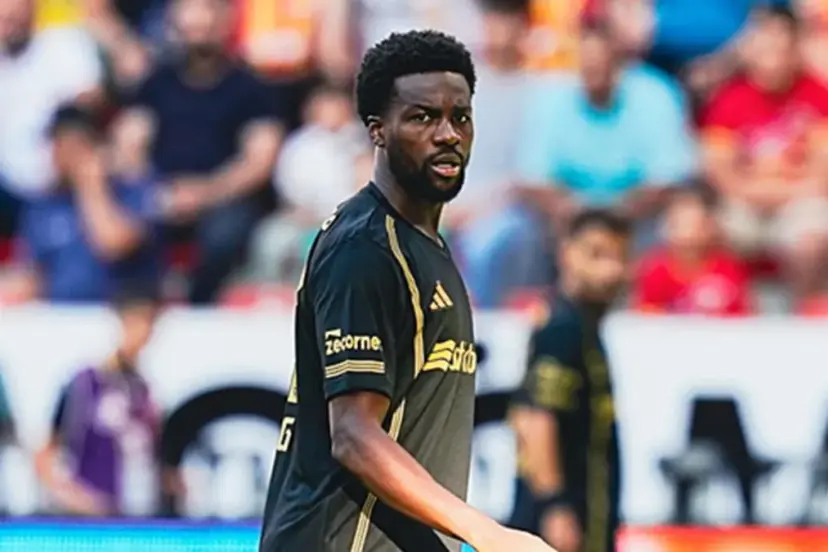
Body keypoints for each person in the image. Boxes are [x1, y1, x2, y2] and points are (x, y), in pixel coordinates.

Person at [258, 30, 554, 552]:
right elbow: (353, 435)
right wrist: (487, 533)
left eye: (460, 117)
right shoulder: (366, 249)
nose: (448, 134)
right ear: (377, 130)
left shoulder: (426, 246)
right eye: (423, 118)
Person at [509, 209, 631, 552]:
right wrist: (555, 506)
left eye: (620, 257)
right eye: (597, 255)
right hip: (559, 529)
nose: (611, 270)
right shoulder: (562, 329)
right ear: (567, 254)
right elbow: (535, 417)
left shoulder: (585, 328)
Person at [0, 105, 162, 304]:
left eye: (72, 146)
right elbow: (31, 271)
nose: (61, 155)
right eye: (56, 144)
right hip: (60, 315)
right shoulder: (44, 205)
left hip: (118, 313)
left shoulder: (132, 191)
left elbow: (113, 244)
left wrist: (91, 184)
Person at [34, 288, 164, 516]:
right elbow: (45, 451)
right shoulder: (85, 385)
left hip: (135, 511)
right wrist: (73, 497)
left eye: (150, 324)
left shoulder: (142, 389)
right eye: (140, 322)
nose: (145, 333)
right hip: (91, 514)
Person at [634, 185, 753, 316]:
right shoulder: (654, 267)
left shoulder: (728, 266)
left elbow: (741, 313)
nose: (689, 233)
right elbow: (647, 311)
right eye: (680, 224)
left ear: (711, 227)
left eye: (696, 224)